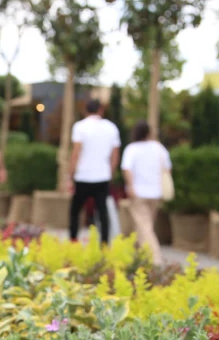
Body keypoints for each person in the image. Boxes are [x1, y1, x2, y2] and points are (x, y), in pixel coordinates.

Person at [69, 99, 121, 244]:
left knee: (75, 211)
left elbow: (76, 153)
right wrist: (110, 173)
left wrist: (70, 175)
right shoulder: (111, 128)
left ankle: (73, 240)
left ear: (85, 110)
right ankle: (104, 244)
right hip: (102, 176)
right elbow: (115, 156)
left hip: (83, 176)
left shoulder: (80, 127)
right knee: (103, 212)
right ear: (101, 110)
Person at [120, 120, 170, 265]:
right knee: (145, 226)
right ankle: (138, 257)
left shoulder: (132, 149)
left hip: (138, 192)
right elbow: (167, 168)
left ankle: (155, 259)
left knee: (144, 227)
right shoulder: (159, 148)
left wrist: (130, 186)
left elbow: (126, 169)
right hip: (156, 192)